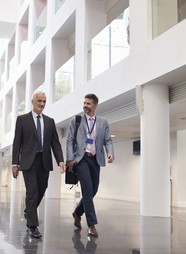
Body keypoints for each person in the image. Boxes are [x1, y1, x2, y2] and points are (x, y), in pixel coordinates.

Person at [12, 91, 66, 238]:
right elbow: (17, 143)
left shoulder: (49, 121)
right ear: (32, 101)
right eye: (39, 101)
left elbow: (55, 143)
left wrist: (60, 160)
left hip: (44, 160)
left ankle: (29, 211)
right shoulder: (22, 120)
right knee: (33, 191)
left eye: (44, 101)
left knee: (42, 188)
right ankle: (33, 225)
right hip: (28, 161)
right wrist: (15, 163)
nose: (42, 104)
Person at [66, 93, 114, 237]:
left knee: (93, 191)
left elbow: (108, 140)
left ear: (95, 105)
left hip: (95, 159)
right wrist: (70, 158)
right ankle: (92, 225)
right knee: (87, 191)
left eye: (88, 103)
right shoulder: (77, 120)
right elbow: (69, 140)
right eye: (84, 103)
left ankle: (77, 212)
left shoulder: (103, 122)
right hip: (81, 160)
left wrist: (110, 152)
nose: (85, 105)